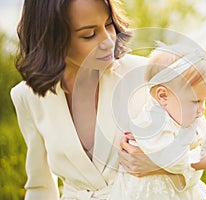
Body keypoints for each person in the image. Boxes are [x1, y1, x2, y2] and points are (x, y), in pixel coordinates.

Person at [10, 0, 172, 199]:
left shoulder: (147, 75)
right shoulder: (27, 97)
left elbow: (198, 153)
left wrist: (158, 165)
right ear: (53, 39)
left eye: (109, 25)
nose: (108, 41)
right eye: (89, 34)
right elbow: (40, 187)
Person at [109, 42, 206, 200]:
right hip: (153, 192)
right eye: (195, 101)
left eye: (204, 100)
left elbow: (204, 131)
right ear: (163, 96)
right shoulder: (151, 123)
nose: (202, 109)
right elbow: (171, 159)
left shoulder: (185, 114)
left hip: (180, 190)